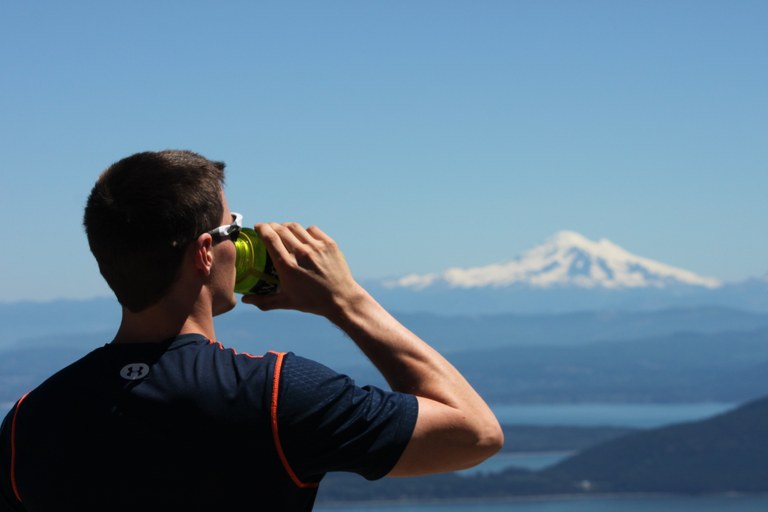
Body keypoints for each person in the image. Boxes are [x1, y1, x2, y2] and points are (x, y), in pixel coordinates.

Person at [0, 150, 503, 511]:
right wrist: (346, 301)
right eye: (232, 229)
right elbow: (475, 435)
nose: (242, 240)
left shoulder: (29, 420)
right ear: (204, 253)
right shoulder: (276, 396)